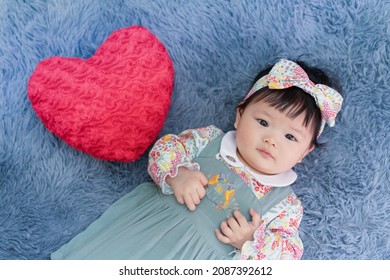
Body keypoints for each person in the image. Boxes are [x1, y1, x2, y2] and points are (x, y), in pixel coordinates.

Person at [51, 59, 343, 260]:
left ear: (305, 153)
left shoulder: (284, 204)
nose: (272, 140)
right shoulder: (209, 141)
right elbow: (165, 149)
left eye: (290, 138)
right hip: (147, 232)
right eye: (263, 122)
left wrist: (250, 241)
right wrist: (177, 174)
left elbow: (286, 256)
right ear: (240, 115)